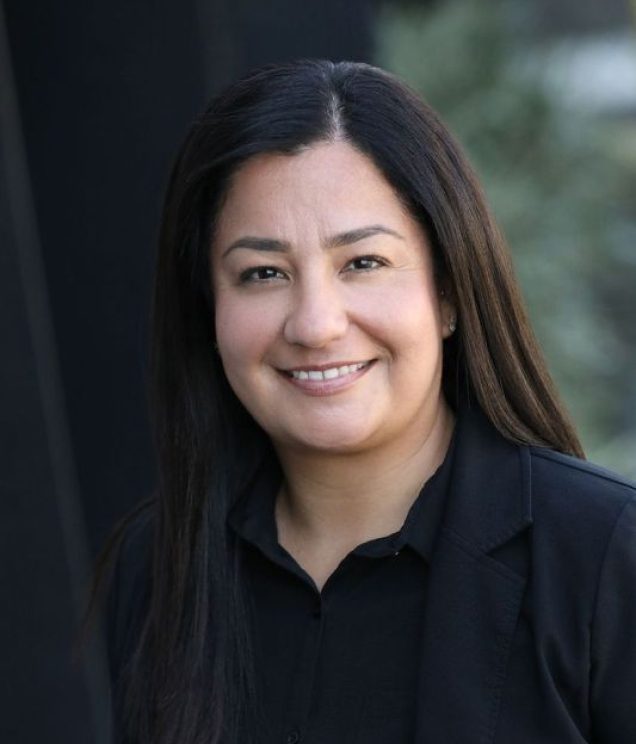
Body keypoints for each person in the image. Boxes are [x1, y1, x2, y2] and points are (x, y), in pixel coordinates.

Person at [100, 60, 636, 744]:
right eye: (262, 273)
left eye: (363, 263)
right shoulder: (159, 566)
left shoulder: (601, 556)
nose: (316, 323)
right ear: (209, 306)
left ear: (448, 291)